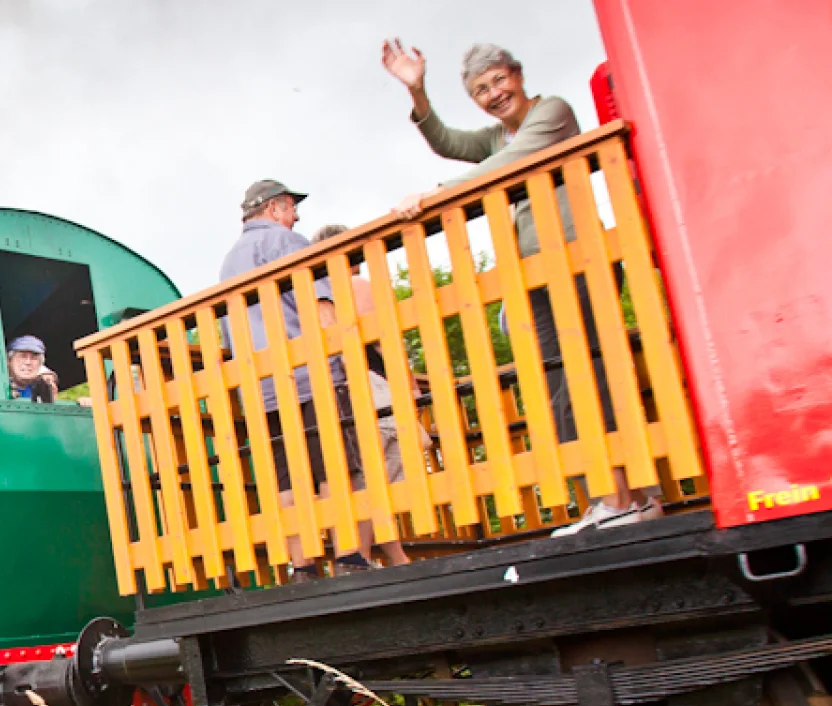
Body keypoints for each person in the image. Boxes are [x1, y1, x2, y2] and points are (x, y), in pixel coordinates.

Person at [381, 39, 661, 535]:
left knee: (587, 376)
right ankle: (614, 498)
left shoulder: (551, 113)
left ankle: (627, 497)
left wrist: (434, 195)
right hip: (536, 272)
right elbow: (447, 142)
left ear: (518, 75)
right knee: (559, 384)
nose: (494, 94)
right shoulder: (498, 136)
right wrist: (417, 91)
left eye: (498, 81)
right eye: (481, 90)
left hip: (575, 259)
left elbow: (511, 162)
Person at [221, 180, 368, 581]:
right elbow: (320, 305)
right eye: (290, 208)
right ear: (273, 208)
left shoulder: (228, 263)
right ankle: (348, 558)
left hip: (261, 386)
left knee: (286, 475)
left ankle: (302, 565)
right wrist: (344, 361)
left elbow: (228, 336)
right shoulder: (287, 242)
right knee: (332, 466)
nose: (297, 216)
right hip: (307, 375)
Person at [314, 224, 429, 567]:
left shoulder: (317, 294)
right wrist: (409, 384)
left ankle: (389, 554)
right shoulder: (356, 285)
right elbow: (382, 340)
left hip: (344, 385)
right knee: (378, 474)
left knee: (367, 475)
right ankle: (364, 556)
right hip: (375, 382)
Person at [6, 335, 59, 402]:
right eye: (22, 357)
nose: (28, 362)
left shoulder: (42, 388)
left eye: (34, 358)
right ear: (9, 361)